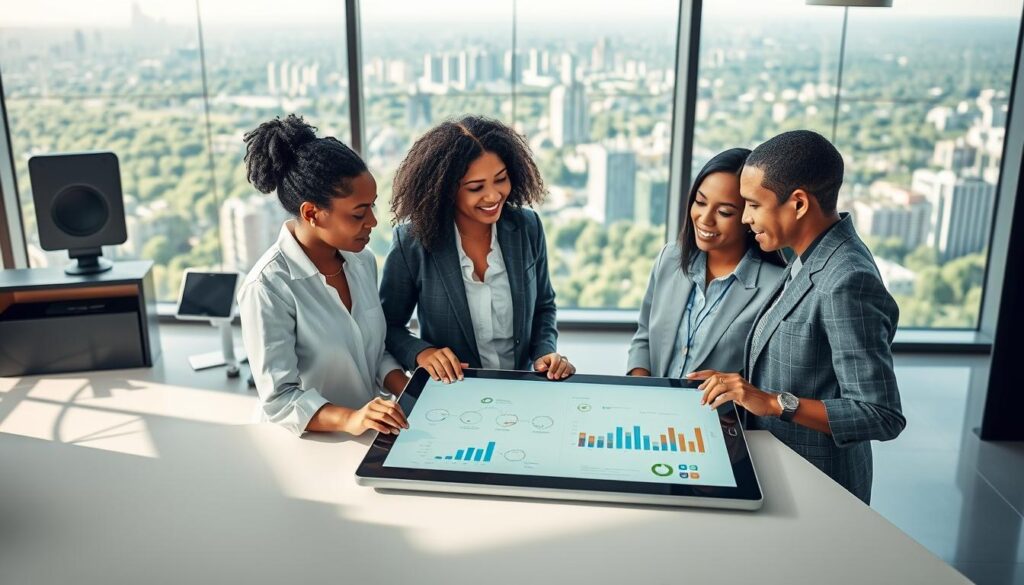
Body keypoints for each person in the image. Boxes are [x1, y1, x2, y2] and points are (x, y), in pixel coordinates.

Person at [687, 130, 906, 503]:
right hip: (781, 468)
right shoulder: (810, 255)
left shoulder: (847, 279)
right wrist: (737, 387)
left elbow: (880, 414)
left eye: (753, 205)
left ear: (799, 203)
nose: (746, 218)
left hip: (818, 485)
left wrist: (773, 402)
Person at [237, 114, 409, 437]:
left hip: (367, 435)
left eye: (372, 206)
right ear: (311, 213)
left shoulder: (362, 262)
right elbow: (280, 399)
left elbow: (373, 352)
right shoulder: (267, 287)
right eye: (358, 213)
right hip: (308, 445)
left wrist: (411, 390)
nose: (373, 221)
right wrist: (351, 419)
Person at [381, 115, 575, 383]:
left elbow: (544, 305)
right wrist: (422, 353)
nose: (494, 195)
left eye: (501, 179)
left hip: (523, 386)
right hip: (454, 390)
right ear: (446, 189)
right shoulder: (412, 242)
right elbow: (389, 326)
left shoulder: (527, 227)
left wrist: (544, 352)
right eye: (476, 187)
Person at [626, 148, 786, 378]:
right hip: (651, 399)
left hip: (716, 404)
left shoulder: (776, 288)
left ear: (748, 217)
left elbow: (770, 376)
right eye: (700, 202)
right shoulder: (669, 258)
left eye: (724, 212)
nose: (705, 218)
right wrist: (640, 389)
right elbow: (644, 337)